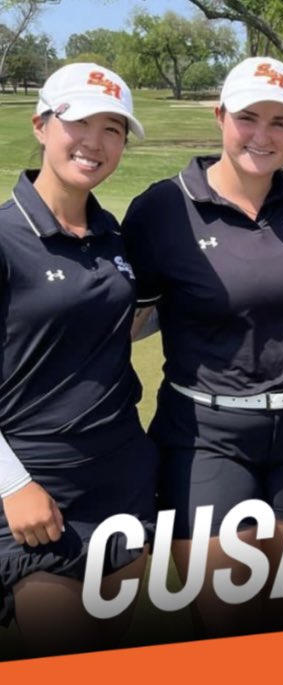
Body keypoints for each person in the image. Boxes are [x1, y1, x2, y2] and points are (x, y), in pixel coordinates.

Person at [121, 56, 283, 637]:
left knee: (277, 612)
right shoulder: (162, 208)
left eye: (280, 122)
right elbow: (129, 317)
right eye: (248, 117)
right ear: (220, 116)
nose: (262, 136)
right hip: (206, 437)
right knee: (225, 619)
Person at [0, 63, 155, 655]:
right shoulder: (6, 236)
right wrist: (13, 485)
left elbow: (119, 320)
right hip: (33, 494)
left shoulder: (112, 235)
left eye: (112, 128)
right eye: (79, 122)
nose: (95, 141)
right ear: (41, 125)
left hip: (121, 484)